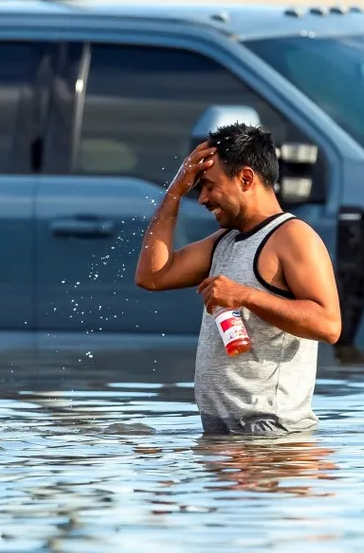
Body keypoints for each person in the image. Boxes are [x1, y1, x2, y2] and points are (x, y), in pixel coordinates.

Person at [134, 122, 342, 436]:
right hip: (224, 435)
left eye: (208, 185)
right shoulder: (224, 242)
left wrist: (244, 295)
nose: (202, 198)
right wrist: (175, 191)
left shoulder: (293, 237)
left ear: (246, 177)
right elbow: (152, 275)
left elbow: (329, 325)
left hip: (270, 435)